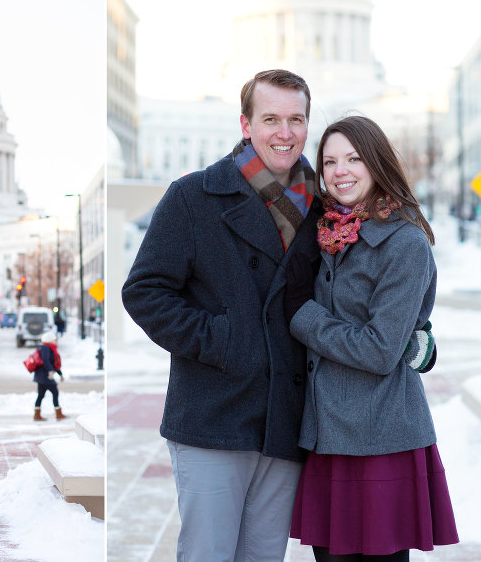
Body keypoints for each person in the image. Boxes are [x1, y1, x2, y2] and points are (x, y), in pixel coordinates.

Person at [122, 69, 322, 561]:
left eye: (296, 119)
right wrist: (225, 341)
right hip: (214, 411)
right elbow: (144, 291)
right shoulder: (194, 196)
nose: (285, 132)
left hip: (285, 417)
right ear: (245, 123)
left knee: (263, 555)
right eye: (270, 118)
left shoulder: (321, 205)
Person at [284, 115, 459, 560]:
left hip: (381, 437)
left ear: (376, 162)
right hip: (327, 434)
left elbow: (381, 349)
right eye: (329, 162)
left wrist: (303, 316)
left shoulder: (404, 243)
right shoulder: (325, 233)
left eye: (354, 158)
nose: (340, 171)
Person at [32, 331, 66, 421]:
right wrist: (50, 371)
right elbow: (46, 361)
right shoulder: (45, 348)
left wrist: (60, 373)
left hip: (42, 376)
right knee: (55, 392)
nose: (55, 341)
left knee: (41, 395)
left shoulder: (47, 348)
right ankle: (58, 413)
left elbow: (53, 363)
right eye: (54, 340)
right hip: (45, 376)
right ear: (49, 340)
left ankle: (37, 414)